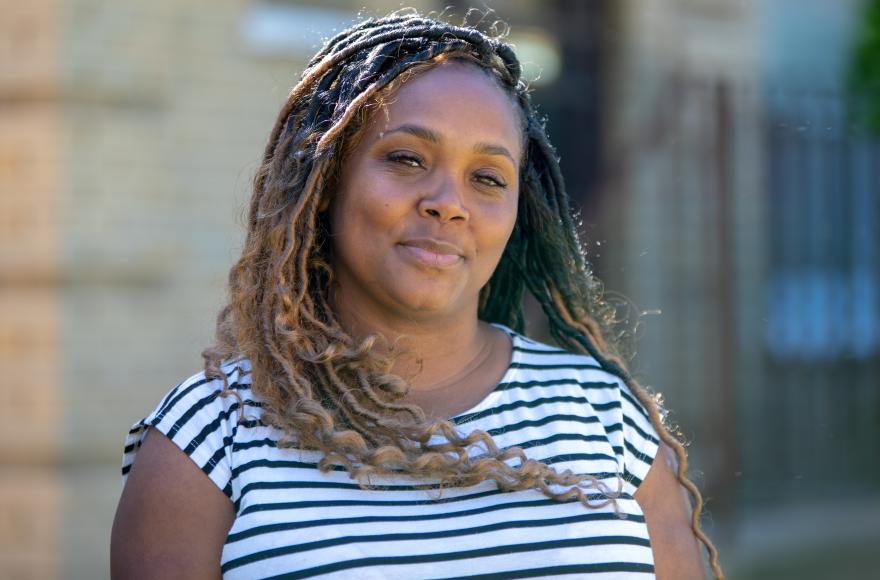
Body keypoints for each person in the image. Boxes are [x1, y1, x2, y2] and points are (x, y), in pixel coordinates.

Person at [111, 11, 723, 579]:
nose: (448, 202)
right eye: (406, 158)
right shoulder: (211, 438)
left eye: (487, 177)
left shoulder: (606, 420)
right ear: (325, 183)